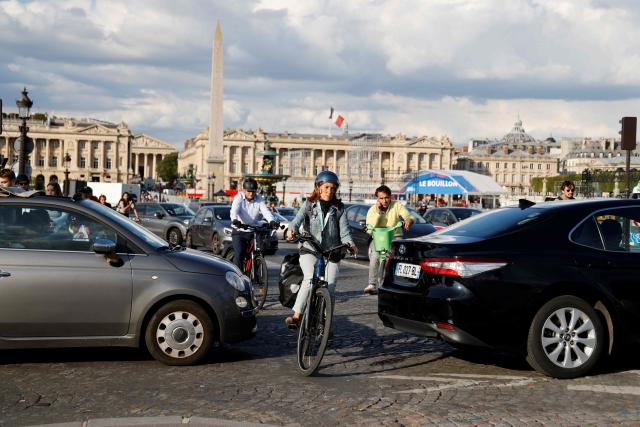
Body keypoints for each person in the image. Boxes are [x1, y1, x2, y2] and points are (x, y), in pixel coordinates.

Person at [285, 171, 357, 329]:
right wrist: (292, 231)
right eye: (326, 187)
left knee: (330, 287)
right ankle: (297, 315)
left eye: (332, 188)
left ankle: (326, 322)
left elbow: (345, 233)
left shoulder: (339, 209)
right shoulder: (309, 204)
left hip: (331, 252)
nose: (329, 191)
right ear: (318, 187)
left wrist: (350, 244)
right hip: (310, 249)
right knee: (310, 279)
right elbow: (295, 222)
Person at [364, 185, 414, 295]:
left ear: (390, 197)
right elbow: (369, 228)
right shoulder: (372, 209)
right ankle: (372, 284)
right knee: (375, 256)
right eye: (381, 198)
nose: (384, 200)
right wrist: (379, 212)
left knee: (395, 258)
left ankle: (397, 282)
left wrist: (408, 220)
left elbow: (407, 215)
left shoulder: (397, 206)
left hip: (395, 236)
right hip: (378, 238)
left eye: (386, 197)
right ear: (377, 199)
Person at [229, 178, 276, 270]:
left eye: (253, 191)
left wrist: (272, 220)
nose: (251, 194)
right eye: (249, 191)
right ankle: (237, 275)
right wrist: (235, 220)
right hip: (240, 230)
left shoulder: (259, 198)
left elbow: (265, 211)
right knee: (240, 253)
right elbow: (234, 211)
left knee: (260, 250)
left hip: (253, 230)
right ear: (244, 190)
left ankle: (255, 269)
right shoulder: (238, 197)